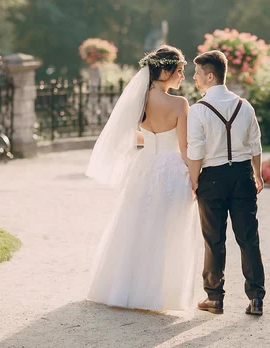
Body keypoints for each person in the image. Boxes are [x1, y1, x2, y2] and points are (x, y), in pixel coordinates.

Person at [85, 45, 199, 311]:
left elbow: (129, 134)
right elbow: (185, 148)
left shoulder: (139, 99)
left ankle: (123, 289)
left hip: (145, 165)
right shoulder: (180, 104)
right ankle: (158, 294)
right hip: (171, 168)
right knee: (166, 230)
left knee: (136, 225)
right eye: (180, 71)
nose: (183, 77)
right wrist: (195, 177)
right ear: (166, 70)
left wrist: (149, 138)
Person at [187, 50, 266, 316]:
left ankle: (214, 297)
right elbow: (255, 144)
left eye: (197, 73)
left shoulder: (198, 110)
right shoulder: (245, 105)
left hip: (212, 178)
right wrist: (258, 173)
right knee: (248, 238)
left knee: (214, 240)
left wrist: (194, 181)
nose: (194, 77)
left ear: (210, 76)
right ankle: (256, 298)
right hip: (243, 176)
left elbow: (196, 151)